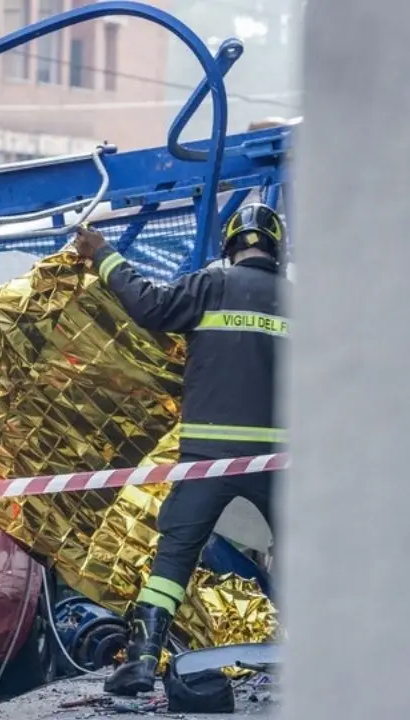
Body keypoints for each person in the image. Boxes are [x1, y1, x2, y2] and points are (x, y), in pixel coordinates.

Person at [73, 203, 289, 696]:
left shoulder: (210, 285)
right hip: (277, 460)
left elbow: (148, 305)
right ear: (277, 247)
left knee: (173, 558)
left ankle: (142, 662)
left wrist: (103, 253)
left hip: (206, 454)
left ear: (229, 245)